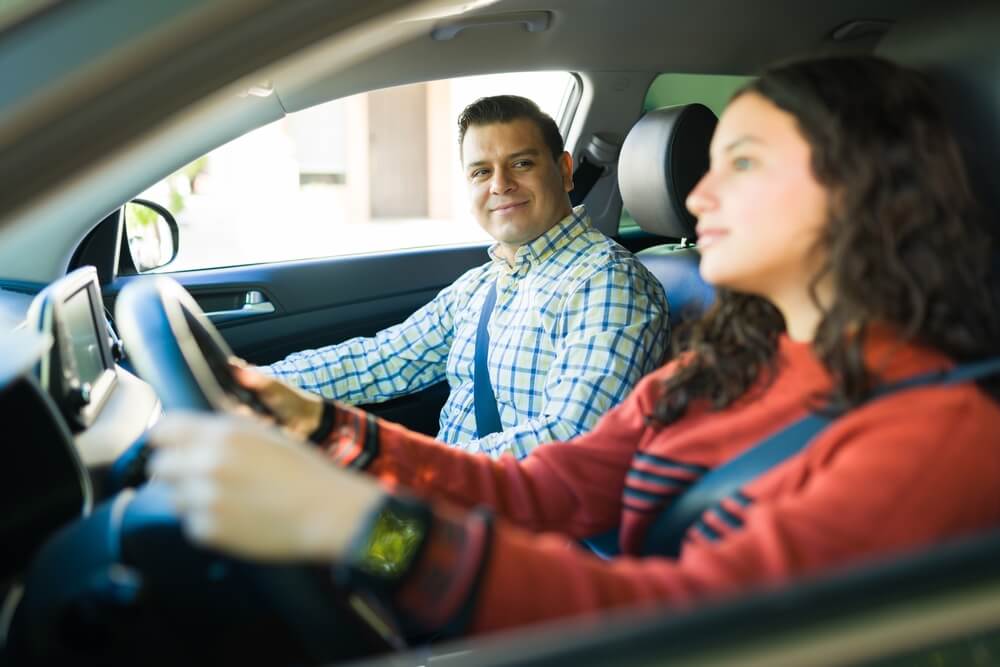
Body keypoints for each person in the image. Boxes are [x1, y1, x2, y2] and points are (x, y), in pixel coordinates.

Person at [150, 55, 1000, 640]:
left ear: (859, 186)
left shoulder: (940, 437)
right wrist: (327, 431)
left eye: (740, 163)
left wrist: (359, 527)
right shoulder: (723, 363)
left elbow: (685, 625)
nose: (696, 191)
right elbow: (548, 490)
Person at [263, 95, 668, 459]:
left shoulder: (606, 282)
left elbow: (571, 443)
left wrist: (408, 466)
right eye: (480, 172)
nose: (500, 185)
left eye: (521, 163)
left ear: (564, 170)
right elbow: (381, 360)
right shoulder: (480, 285)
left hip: (509, 526)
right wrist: (251, 383)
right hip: (446, 502)